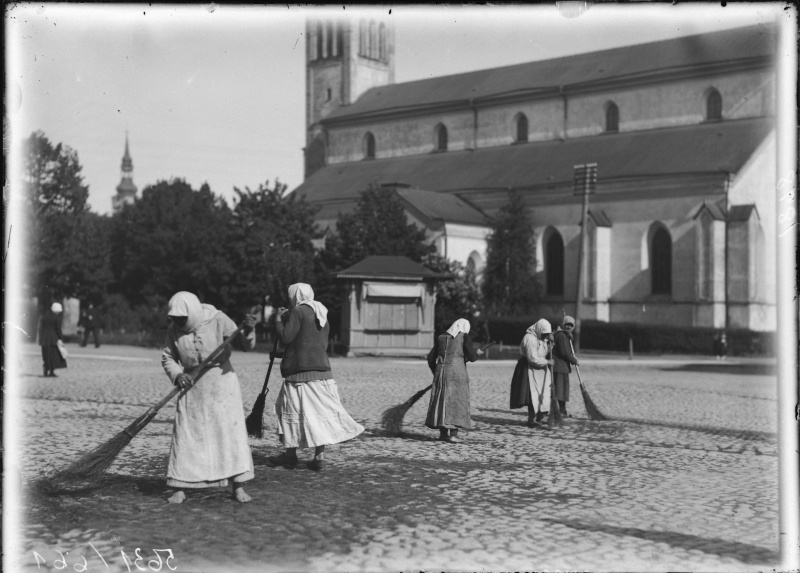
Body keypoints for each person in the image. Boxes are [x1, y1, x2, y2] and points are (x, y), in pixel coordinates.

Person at [161, 291, 258, 504]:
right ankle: (180, 487)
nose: (179, 322)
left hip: (221, 385)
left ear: (193, 311)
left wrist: (249, 329)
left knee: (229, 435)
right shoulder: (174, 330)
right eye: (175, 319)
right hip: (192, 386)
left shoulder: (217, 318)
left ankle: (238, 486)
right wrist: (178, 375)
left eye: (182, 318)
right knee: (187, 436)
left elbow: (243, 344)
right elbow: (168, 356)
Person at [269, 283, 364, 471]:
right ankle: (318, 457)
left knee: (290, 411)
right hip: (322, 372)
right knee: (320, 415)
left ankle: (290, 455)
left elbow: (286, 338)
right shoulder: (321, 312)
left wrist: (278, 320)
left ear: (294, 295)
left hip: (300, 373)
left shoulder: (297, 312)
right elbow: (311, 342)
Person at [425, 318, 484, 443]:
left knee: (442, 401)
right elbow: (472, 357)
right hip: (457, 374)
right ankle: (453, 433)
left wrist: (436, 372)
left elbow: (430, 358)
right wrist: (477, 353)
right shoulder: (464, 337)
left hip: (441, 373)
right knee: (456, 401)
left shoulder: (441, 337)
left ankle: (443, 433)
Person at [520, 318, 560, 429]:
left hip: (541, 370)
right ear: (539, 330)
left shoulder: (541, 338)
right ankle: (531, 419)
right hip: (530, 369)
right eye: (544, 334)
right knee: (533, 395)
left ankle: (540, 417)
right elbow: (532, 358)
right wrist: (547, 362)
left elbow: (544, 352)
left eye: (547, 334)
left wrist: (550, 344)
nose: (545, 336)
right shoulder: (530, 338)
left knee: (544, 393)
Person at [552, 315, 580, 418]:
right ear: (563, 324)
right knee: (560, 390)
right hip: (560, 367)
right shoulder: (561, 336)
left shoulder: (564, 335)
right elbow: (564, 353)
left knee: (561, 390)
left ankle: (562, 411)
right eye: (566, 324)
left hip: (561, 367)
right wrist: (574, 360)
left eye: (571, 325)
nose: (568, 327)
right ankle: (560, 411)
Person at [39, 302, 67, 377]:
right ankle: (51, 371)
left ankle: (45, 369)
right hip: (53, 338)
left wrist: (40, 338)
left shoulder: (44, 317)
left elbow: (41, 328)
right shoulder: (57, 318)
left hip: (44, 339)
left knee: (46, 355)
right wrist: (61, 339)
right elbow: (58, 329)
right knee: (53, 356)